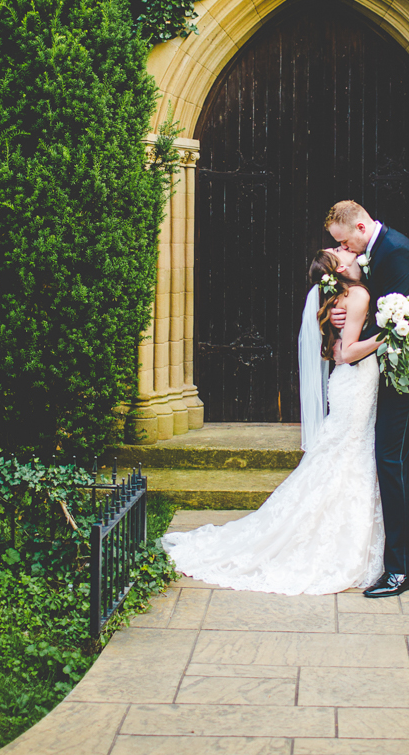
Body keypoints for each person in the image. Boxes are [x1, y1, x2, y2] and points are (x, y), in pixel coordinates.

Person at [162, 249, 384, 594]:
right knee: (344, 454)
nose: (349, 252)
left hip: (350, 383)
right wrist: (389, 335)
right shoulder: (357, 295)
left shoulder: (344, 294)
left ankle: (335, 531)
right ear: (340, 268)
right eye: (341, 251)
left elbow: (341, 348)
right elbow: (349, 350)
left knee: (343, 455)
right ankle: (333, 541)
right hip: (353, 383)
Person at [325, 199, 409, 599]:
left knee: (390, 460)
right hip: (392, 370)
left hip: (404, 374)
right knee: (395, 461)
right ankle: (400, 563)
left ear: (360, 227)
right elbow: (379, 303)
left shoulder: (397, 253)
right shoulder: (381, 249)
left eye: (346, 242)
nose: (348, 252)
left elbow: (402, 321)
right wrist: (345, 311)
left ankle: (399, 572)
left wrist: (355, 326)